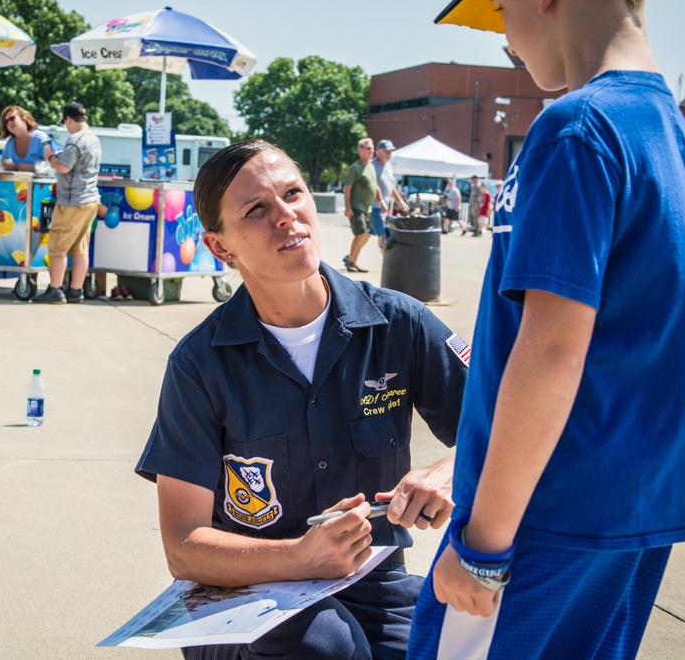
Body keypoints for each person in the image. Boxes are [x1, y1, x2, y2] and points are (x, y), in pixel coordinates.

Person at [410, 0, 685, 658]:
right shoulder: (660, 123)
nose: (506, 38)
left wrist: (484, 546)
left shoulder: (576, 127)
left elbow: (553, 347)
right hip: (638, 500)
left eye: (500, 8)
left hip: (547, 509)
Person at [136, 139, 471, 659]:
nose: (287, 216)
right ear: (221, 247)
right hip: (248, 596)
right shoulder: (199, 364)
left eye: (294, 194)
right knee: (324, 646)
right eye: (257, 210)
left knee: (461, 637)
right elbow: (184, 546)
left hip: (373, 587)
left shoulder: (401, 324)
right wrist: (300, 556)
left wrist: (454, 469)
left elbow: (504, 430)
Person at [34, 102, 102, 304]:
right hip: (90, 199)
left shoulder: (75, 140)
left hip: (72, 201)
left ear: (69, 119)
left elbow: (63, 167)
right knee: (81, 247)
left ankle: (55, 288)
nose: (66, 127)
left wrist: (52, 157)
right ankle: (76, 290)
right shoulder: (94, 139)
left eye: (65, 123)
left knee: (58, 246)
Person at [342, 137, 385, 273]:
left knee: (365, 234)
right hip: (357, 207)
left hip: (368, 208)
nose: (372, 150)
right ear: (360, 150)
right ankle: (350, 261)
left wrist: (381, 200)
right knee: (361, 234)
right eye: (368, 148)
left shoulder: (371, 167)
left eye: (372, 148)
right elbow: (348, 188)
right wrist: (348, 207)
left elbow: (375, 186)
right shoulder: (355, 167)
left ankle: (353, 261)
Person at [371, 139, 410, 249]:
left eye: (391, 151)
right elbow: (373, 186)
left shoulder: (388, 166)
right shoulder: (371, 166)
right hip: (374, 207)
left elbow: (391, 186)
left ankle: (351, 258)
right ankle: (388, 262)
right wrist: (381, 201)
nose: (389, 153)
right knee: (384, 234)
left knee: (365, 235)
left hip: (384, 207)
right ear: (378, 151)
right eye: (387, 150)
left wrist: (400, 201)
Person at [0, 105, 50, 172]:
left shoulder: (41, 138)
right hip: (17, 182)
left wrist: (34, 168)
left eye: (12, 118)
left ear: (24, 118)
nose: (9, 123)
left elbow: (53, 166)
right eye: (6, 121)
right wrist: (8, 166)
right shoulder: (10, 143)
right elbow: (3, 162)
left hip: (40, 182)